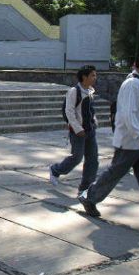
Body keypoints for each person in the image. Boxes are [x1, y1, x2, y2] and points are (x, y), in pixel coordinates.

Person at [77, 50, 139, 230]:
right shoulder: (132, 84)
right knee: (115, 173)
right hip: (131, 142)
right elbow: (128, 114)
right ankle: (90, 197)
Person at [49, 65, 99, 194]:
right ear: (84, 77)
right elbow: (69, 112)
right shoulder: (74, 91)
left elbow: (90, 110)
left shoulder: (90, 91)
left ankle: (86, 188)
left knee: (92, 160)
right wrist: (77, 129)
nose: (95, 78)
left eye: (95, 75)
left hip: (90, 131)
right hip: (78, 133)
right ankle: (55, 170)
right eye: (92, 75)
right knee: (77, 157)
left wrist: (94, 121)